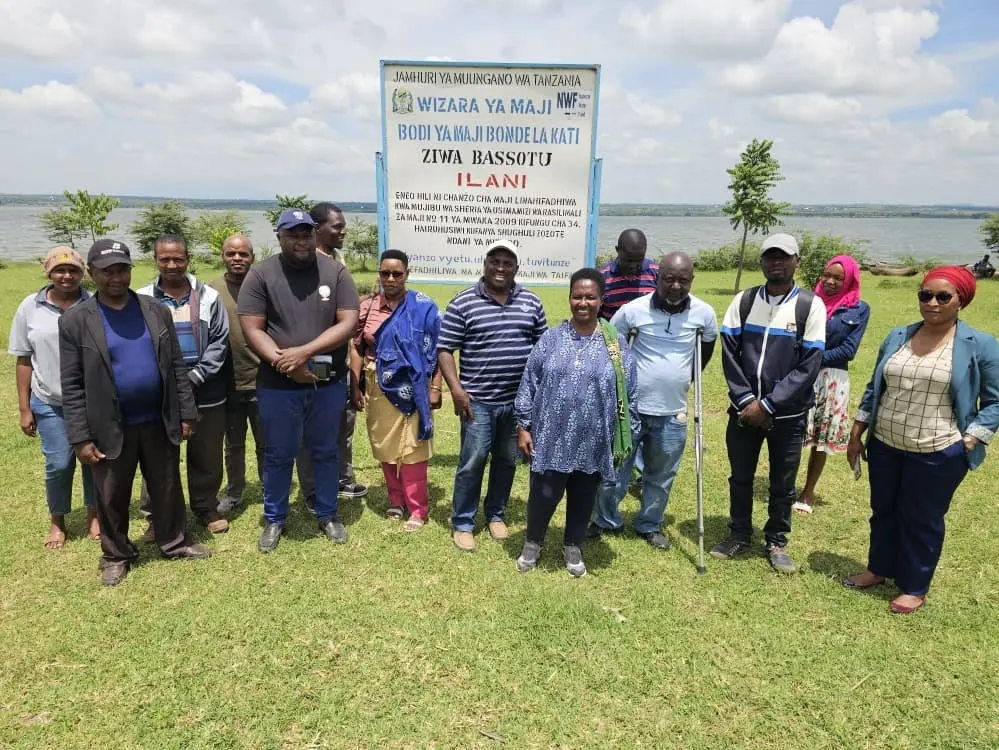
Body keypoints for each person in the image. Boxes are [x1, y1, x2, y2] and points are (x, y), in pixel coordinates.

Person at [844, 266, 999, 614]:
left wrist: (973, 438)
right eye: (925, 295)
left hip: (937, 449)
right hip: (886, 442)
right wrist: (857, 432)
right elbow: (874, 387)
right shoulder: (899, 334)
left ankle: (914, 586)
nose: (932, 303)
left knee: (922, 518)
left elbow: (995, 400)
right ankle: (878, 569)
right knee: (882, 510)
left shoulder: (980, 345)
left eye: (943, 297)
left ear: (961, 301)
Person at [59, 239, 210, 586]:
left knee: (167, 485)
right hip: (110, 425)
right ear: (91, 274)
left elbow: (175, 365)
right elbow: (72, 383)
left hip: (158, 417)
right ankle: (116, 554)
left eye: (122, 269)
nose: (116, 277)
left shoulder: (154, 310)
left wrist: (187, 411)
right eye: (107, 270)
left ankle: (173, 541)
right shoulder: (75, 321)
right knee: (112, 493)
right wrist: (80, 437)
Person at [238, 209, 360, 553]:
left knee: (324, 451)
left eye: (306, 234)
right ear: (279, 237)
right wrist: (283, 362)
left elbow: (348, 322)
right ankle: (275, 518)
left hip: (326, 382)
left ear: (314, 235)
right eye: (292, 234)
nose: (300, 241)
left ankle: (328, 513)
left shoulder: (335, 272)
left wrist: (303, 353)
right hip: (278, 383)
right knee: (278, 453)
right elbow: (252, 328)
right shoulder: (261, 274)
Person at [712, 233, 826, 574]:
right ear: (761, 261)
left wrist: (770, 405)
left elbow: (810, 363)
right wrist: (747, 400)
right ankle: (739, 534)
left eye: (784, 256)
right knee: (741, 477)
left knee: (782, 482)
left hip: (787, 416)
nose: (776, 262)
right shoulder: (744, 301)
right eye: (770, 256)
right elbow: (729, 353)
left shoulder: (809, 305)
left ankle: (777, 540)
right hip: (744, 412)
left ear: (796, 262)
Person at [514, 269, 639, 577]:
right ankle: (533, 541)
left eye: (590, 297)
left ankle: (573, 544)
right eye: (577, 296)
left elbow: (630, 391)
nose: (583, 302)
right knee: (544, 494)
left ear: (601, 300)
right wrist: (523, 426)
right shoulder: (551, 339)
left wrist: (624, 436)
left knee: (584, 495)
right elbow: (529, 382)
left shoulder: (616, 344)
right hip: (551, 436)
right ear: (570, 298)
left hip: (594, 438)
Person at [589, 252, 717, 548]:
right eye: (669, 279)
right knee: (615, 471)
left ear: (691, 280)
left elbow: (705, 351)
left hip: (673, 411)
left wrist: (684, 378)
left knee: (660, 474)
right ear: (657, 279)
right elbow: (612, 347)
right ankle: (606, 518)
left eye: (682, 280)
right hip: (630, 409)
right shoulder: (633, 311)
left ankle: (649, 523)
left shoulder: (704, 314)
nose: (675, 286)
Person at [438, 239, 548, 552]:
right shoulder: (463, 303)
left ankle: (496, 514)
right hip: (477, 402)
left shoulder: (531, 302)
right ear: (485, 264)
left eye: (507, 262)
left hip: (517, 403)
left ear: (517, 267)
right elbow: (445, 349)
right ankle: (462, 521)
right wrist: (456, 390)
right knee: (472, 462)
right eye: (494, 261)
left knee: (507, 461)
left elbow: (542, 350)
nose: (500, 268)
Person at [137, 234, 231, 537]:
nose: (172, 264)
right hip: (159, 392)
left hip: (205, 389)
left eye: (178, 258)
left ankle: (205, 506)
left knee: (206, 452)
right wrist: (168, 382)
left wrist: (194, 377)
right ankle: (157, 515)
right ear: (156, 260)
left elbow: (219, 343)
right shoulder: (141, 300)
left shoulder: (209, 297)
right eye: (165, 259)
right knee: (157, 455)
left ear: (188, 258)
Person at [9, 247, 98, 548]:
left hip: (90, 401)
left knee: (94, 461)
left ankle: (94, 516)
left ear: (82, 273)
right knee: (59, 464)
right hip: (49, 401)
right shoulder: (29, 308)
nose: (66, 275)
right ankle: (57, 521)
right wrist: (24, 408)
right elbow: (23, 360)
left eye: (73, 270)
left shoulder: (94, 304)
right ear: (48, 272)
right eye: (59, 270)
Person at [350, 250, 443, 532]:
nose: (390, 279)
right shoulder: (367, 307)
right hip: (378, 384)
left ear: (407, 274)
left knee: (413, 448)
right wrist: (355, 385)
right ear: (379, 274)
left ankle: (418, 508)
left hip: (414, 387)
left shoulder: (423, 307)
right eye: (385, 273)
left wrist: (436, 387)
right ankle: (395, 500)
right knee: (385, 446)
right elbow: (356, 346)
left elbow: (439, 349)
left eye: (397, 274)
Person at [296, 202, 367, 504]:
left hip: (341, 356)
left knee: (343, 418)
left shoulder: (337, 261)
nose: (343, 231)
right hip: (317, 358)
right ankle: (313, 490)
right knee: (315, 423)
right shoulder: (306, 265)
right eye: (336, 226)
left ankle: (342, 478)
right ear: (317, 228)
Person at [795, 255, 870, 514]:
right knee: (794, 431)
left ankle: (807, 492)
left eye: (839, 278)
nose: (830, 281)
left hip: (831, 379)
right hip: (800, 375)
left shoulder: (859, 309)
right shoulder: (806, 301)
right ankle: (783, 486)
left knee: (820, 439)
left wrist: (811, 358)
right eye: (827, 275)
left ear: (850, 280)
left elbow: (848, 350)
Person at [209, 235, 263, 514]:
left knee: (267, 443)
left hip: (263, 379)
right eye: (231, 253)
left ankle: (270, 488)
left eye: (243, 254)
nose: (237, 258)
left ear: (252, 256)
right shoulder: (212, 290)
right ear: (223, 256)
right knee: (233, 443)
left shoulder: (264, 285)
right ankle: (234, 491)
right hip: (227, 382)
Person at [598, 229, 659, 321]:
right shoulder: (603, 277)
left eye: (639, 260)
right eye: (628, 260)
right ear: (617, 250)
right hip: (612, 333)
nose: (633, 266)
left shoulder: (656, 273)